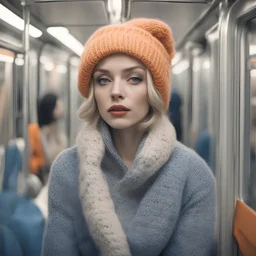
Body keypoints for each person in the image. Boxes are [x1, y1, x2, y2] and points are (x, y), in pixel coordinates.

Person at [42, 18, 216, 256]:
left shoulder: (193, 175)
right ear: (94, 92)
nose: (116, 92)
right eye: (103, 80)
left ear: (154, 89)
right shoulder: (67, 169)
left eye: (134, 78)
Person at [34, 93, 67, 219]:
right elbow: (51, 157)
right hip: (49, 181)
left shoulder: (56, 130)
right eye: (58, 106)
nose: (61, 109)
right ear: (51, 109)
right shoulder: (44, 133)